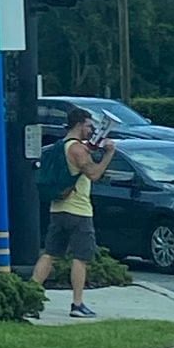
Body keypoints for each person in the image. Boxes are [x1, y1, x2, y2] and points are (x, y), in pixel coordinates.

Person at [31, 106, 113, 318]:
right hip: (78, 211)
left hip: (58, 208)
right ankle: (77, 304)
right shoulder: (77, 150)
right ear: (78, 124)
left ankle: (30, 296)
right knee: (81, 257)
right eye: (88, 125)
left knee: (50, 254)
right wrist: (108, 155)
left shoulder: (61, 146)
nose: (91, 129)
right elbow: (94, 174)